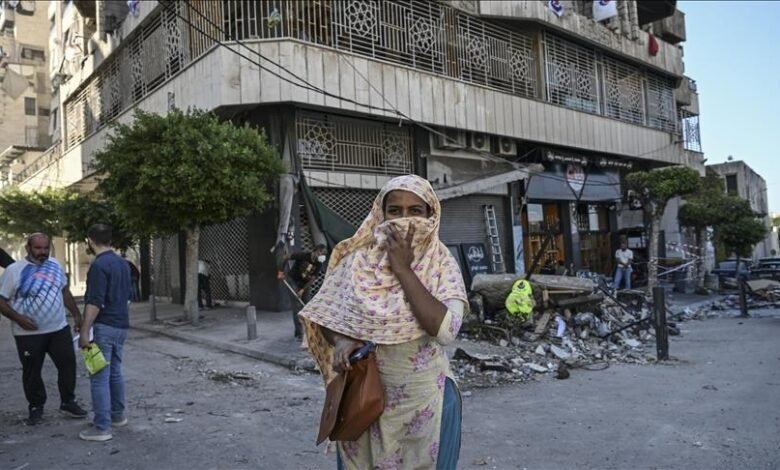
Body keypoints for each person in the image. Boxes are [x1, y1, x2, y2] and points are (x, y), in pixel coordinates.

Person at [299, 175, 468, 469]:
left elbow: (445, 330)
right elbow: (325, 313)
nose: (404, 219)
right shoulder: (358, 261)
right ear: (381, 213)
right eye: (395, 210)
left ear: (431, 214)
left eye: (415, 210)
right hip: (364, 400)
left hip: (425, 402)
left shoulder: (441, 263)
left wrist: (402, 269)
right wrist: (343, 341)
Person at [0, 233, 88, 425]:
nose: (42, 252)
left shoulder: (55, 265)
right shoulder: (14, 271)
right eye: (38, 248)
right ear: (28, 249)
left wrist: (76, 314)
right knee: (32, 372)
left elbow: (64, 291)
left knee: (67, 365)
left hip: (58, 329)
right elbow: (2, 301)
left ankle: (68, 401)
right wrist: (18, 318)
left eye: (46, 248)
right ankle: (36, 406)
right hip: (28, 334)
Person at [78, 224, 132, 442]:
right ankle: (117, 416)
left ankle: (102, 427)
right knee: (115, 372)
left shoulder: (99, 266)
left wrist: (84, 330)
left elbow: (95, 302)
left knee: (99, 377)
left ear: (90, 241)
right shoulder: (122, 263)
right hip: (121, 325)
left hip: (104, 326)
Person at [283, 244, 328, 340]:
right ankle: (299, 334)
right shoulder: (303, 256)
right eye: (321, 253)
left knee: (307, 306)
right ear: (315, 251)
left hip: (305, 284)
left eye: (324, 254)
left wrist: (303, 290)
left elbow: (313, 279)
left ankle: (309, 330)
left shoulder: (319, 263)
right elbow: (286, 257)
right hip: (293, 280)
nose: (322, 255)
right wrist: (281, 271)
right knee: (297, 307)